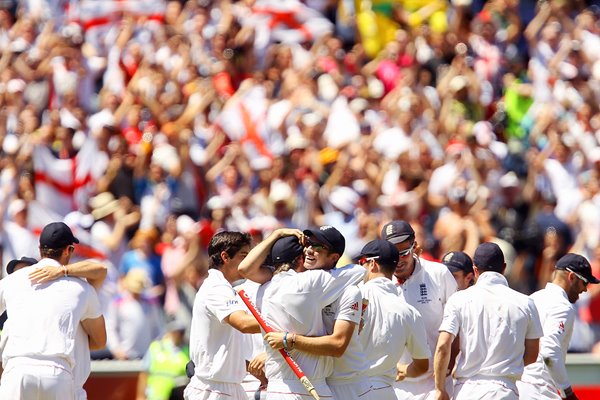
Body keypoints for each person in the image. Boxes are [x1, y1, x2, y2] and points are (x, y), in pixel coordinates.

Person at [239, 226, 366, 400]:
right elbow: (360, 270)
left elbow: (245, 269)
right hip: (309, 386)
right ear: (299, 259)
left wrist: (277, 233)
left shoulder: (267, 286)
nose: (310, 249)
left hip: (288, 387)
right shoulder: (313, 281)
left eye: (317, 246)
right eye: (308, 244)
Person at [0, 222, 106, 400]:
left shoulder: (11, 281)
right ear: (68, 250)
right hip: (57, 373)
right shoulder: (81, 288)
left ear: (40, 248)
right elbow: (99, 341)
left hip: (17, 371)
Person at [433, 242, 543, 400]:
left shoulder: (459, 299)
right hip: (504, 390)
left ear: (475, 270)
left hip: (466, 390)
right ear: (504, 268)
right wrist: (506, 365)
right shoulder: (526, 303)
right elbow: (532, 355)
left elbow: (443, 345)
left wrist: (440, 388)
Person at [381, 220, 458, 399]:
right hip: (394, 386)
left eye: (404, 253)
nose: (398, 260)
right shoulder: (378, 283)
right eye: (393, 254)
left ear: (415, 246)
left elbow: (458, 329)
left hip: (435, 384)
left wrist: (444, 375)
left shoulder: (439, 274)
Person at [184, 231, 261, 400]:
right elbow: (244, 324)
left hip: (226, 388)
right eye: (243, 255)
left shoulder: (223, 288)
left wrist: (250, 369)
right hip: (214, 391)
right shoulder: (216, 288)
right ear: (225, 257)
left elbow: (226, 348)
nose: (248, 262)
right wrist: (285, 327)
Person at [518, 253, 600, 400]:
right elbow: (549, 352)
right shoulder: (563, 307)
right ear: (572, 277)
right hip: (539, 390)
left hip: (518, 387)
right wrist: (567, 393)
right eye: (585, 282)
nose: (586, 289)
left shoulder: (533, 298)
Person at [358, 239, 430, 399]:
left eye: (361, 262)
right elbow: (422, 366)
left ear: (372, 264)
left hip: (348, 389)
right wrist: (401, 370)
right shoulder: (409, 312)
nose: (359, 267)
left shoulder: (351, 295)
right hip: (385, 391)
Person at [137, 320, 190, 400]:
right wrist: (140, 396)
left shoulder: (187, 351)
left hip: (177, 396)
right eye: (175, 332)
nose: (178, 335)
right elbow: (144, 373)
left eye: (181, 332)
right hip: (157, 395)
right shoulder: (155, 348)